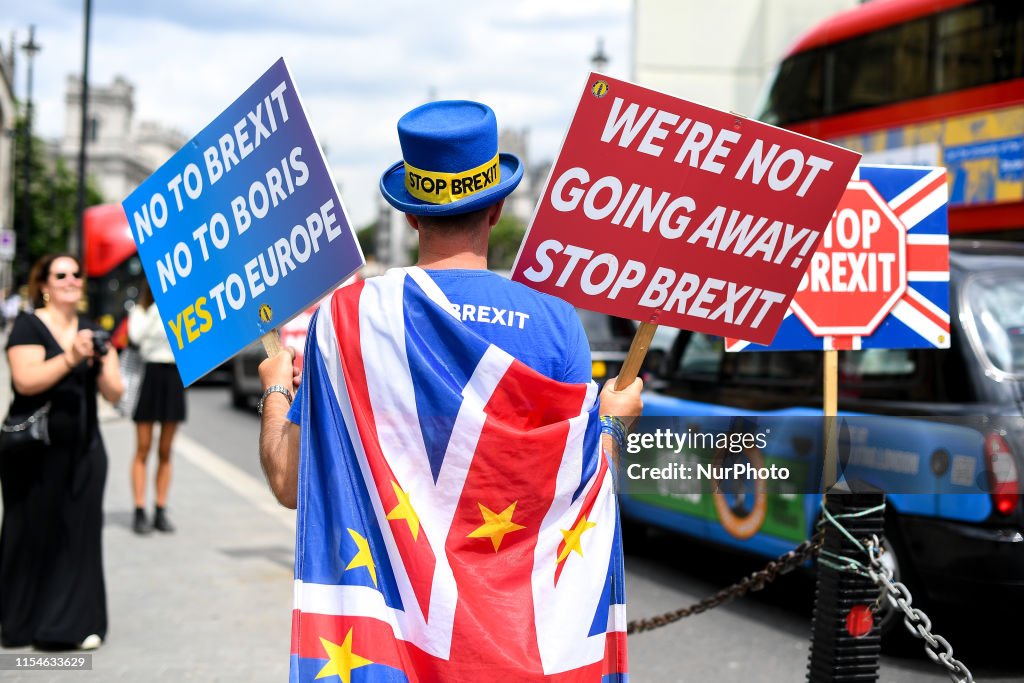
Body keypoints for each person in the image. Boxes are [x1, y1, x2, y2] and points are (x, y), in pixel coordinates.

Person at [258, 100, 642, 680]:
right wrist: (612, 421)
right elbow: (576, 500)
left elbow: (289, 483)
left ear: (411, 216)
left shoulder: (347, 319)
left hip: (393, 656)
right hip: (517, 654)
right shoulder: (557, 323)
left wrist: (274, 392)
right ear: (498, 208)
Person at [0, 253, 123, 650]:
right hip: (33, 453)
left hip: (83, 450)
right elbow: (25, 381)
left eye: (76, 274)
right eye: (61, 274)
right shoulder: (29, 325)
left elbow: (115, 392)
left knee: (79, 536)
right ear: (45, 285)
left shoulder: (92, 329)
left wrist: (100, 357)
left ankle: (71, 624)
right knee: (29, 532)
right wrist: (70, 356)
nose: (71, 279)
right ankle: (20, 621)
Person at [128, 280, 185, 534]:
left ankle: (160, 509)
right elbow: (136, 337)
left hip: (174, 377)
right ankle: (140, 509)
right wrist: (155, 309)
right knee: (143, 448)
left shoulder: (180, 308)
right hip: (150, 376)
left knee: (165, 450)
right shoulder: (141, 312)